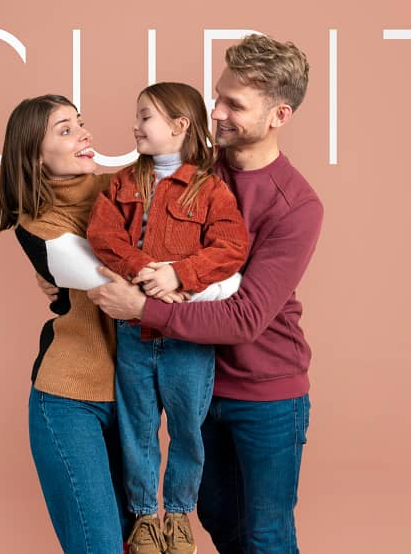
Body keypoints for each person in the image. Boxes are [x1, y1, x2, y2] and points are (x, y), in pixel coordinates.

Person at [85, 35, 324, 553]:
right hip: (199, 383)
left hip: (266, 394)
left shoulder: (296, 205)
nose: (215, 112)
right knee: (217, 521)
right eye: (218, 96)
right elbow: (118, 212)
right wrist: (55, 256)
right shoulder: (194, 169)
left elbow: (245, 318)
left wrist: (142, 308)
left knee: (265, 538)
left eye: (234, 105)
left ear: (280, 115)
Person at [86, 82, 249, 554]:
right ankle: (142, 518)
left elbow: (232, 248)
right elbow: (103, 234)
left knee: (186, 430)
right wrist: (141, 270)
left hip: (188, 340)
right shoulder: (124, 182)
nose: (135, 125)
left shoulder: (209, 188)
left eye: (145, 117)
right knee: (137, 428)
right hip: (134, 333)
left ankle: (177, 516)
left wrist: (180, 275)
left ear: (179, 126)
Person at [0, 94, 131, 554]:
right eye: (65, 130)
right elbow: (119, 284)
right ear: (34, 154)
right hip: (69, 399)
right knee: (99, 547)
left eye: (81, 124)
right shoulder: (35, 227)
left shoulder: (124, 187)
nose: (84, 134)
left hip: (131, 399)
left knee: (140, 544)